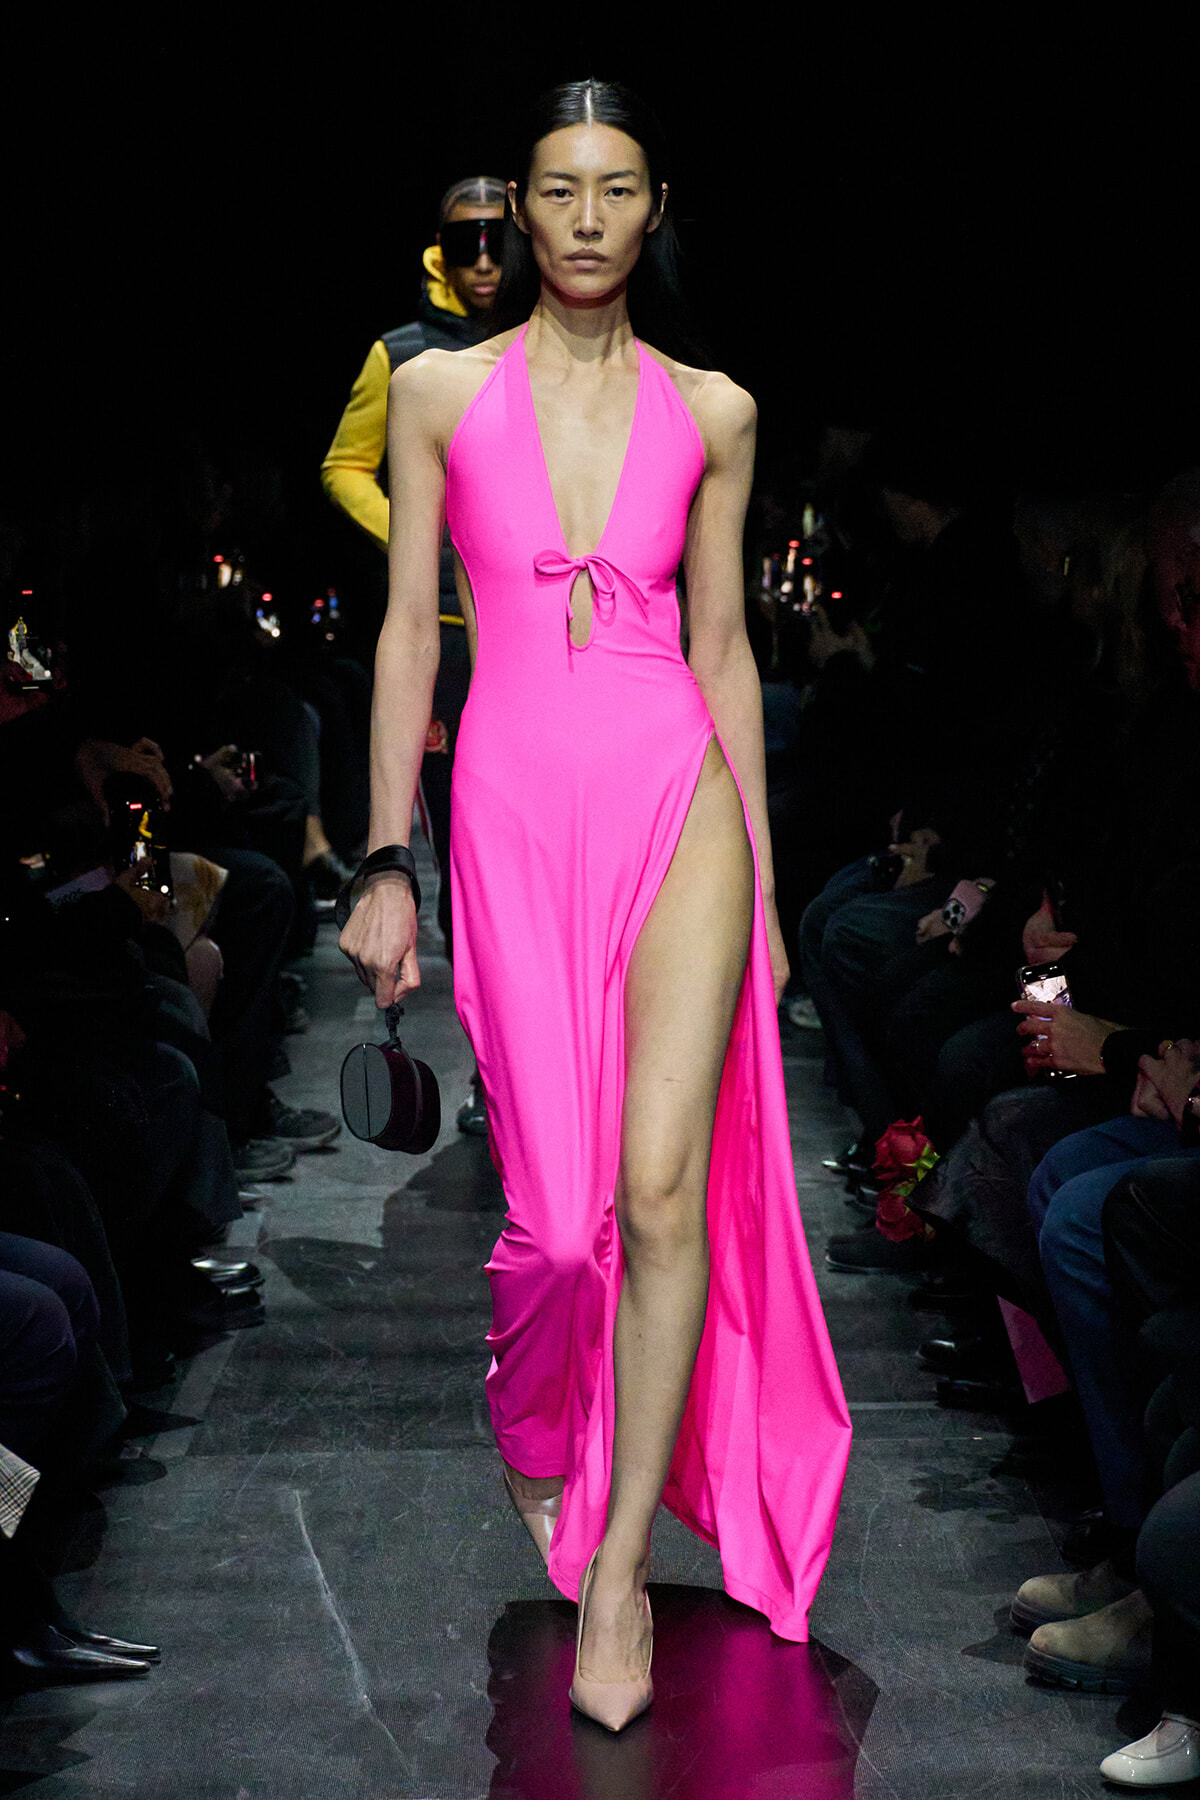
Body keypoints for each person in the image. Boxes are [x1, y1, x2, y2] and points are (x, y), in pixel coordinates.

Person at [339, 78, 850, 1731]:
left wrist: (765, 882)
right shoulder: (438, 396)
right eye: (555, 189)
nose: (579, 218)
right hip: (506, 803)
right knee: (558, 1227)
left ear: (652, 209)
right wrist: (385, 856)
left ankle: (620, 1565)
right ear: (524, 210)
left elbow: (724, 649)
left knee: (657, 1197)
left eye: (611, 189)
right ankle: (538, 1430)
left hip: (676, 795)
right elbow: (411, 633)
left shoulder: (717, 409)